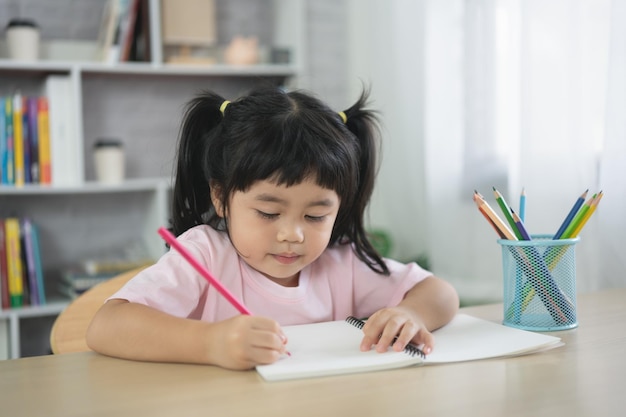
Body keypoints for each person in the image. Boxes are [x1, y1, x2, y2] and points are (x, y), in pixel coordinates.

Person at [86, 86, 459, 370]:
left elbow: (439, 294)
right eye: (268, 212)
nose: (292, 235)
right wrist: (212, 343)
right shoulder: (204, 254)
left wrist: (410, 314)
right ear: (221, 197)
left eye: (315, 216)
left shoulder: (338, 263)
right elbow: (107, 326)